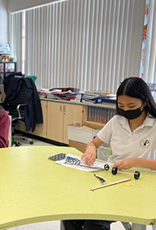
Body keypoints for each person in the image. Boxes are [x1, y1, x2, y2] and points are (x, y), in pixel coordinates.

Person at [63, 77, 156, 230]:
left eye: (131, 105)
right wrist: (91, 148)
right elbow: (94, 142)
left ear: (145, 102)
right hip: (111, 180)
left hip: (141, 186)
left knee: (94, 226)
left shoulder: (153, 125)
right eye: (121, 105)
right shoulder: (116, 121)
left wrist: (134, 162)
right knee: (70, 216)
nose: (125, 110)